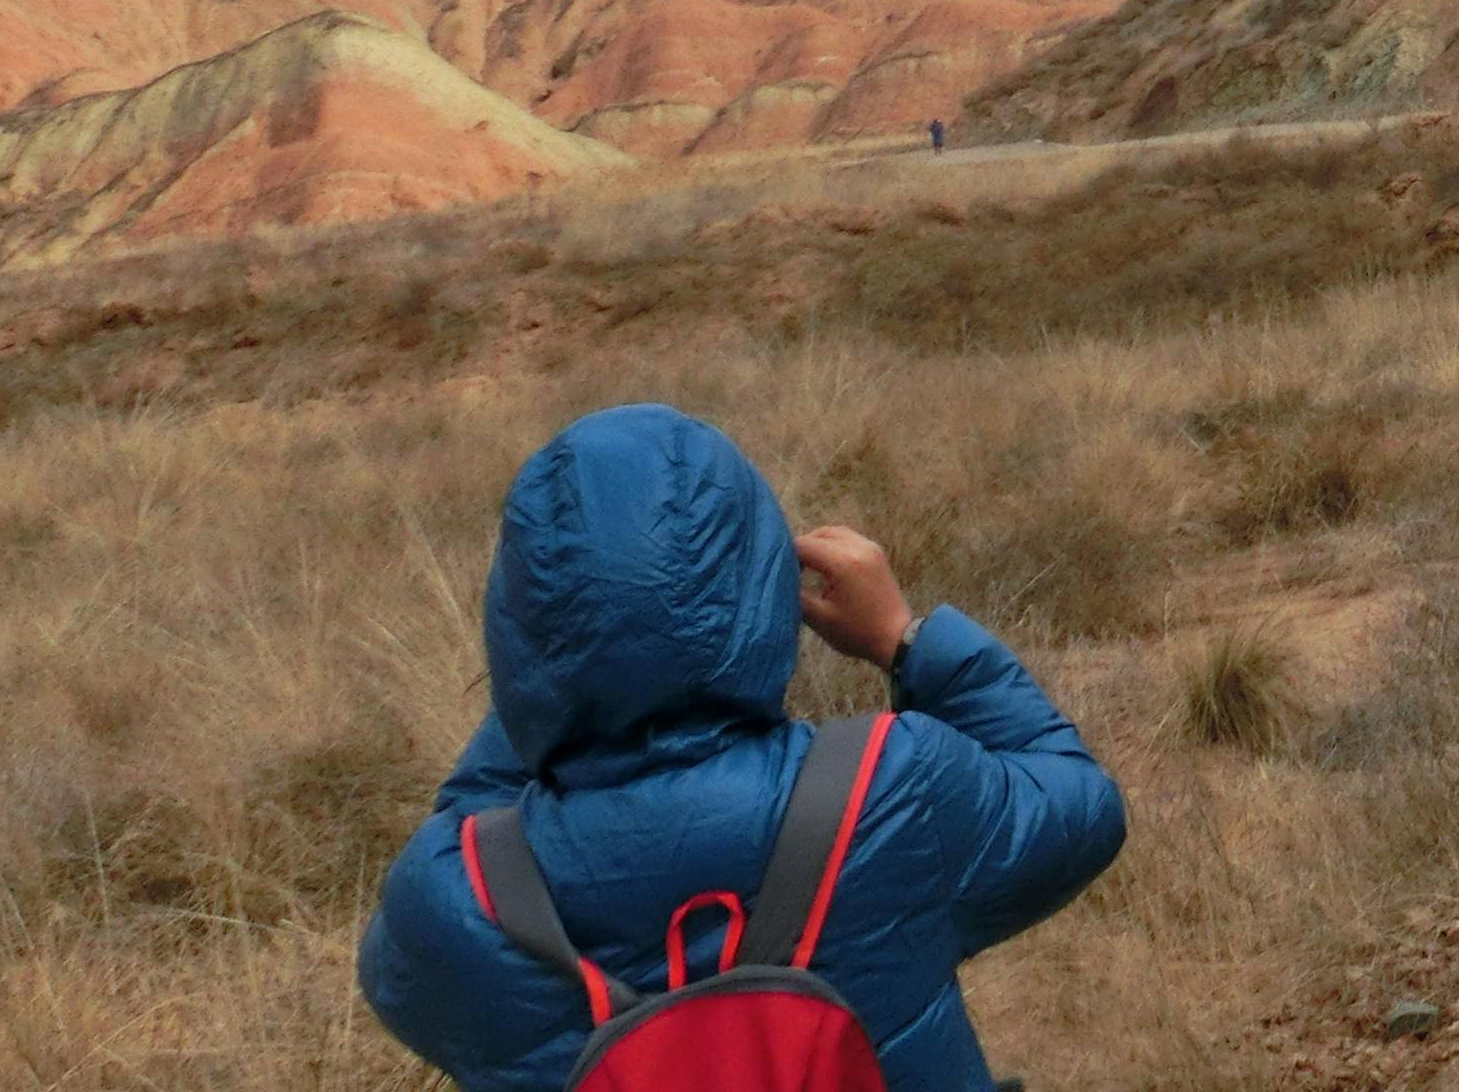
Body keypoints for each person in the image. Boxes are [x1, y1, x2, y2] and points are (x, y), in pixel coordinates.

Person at [359, 403, 1125, 1092]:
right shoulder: (887, 791)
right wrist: (904, 638)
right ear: (765, 588)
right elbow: (1080, 804)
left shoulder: (452, 903)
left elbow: (460, 834)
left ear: (510, 624)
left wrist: (555, 678)